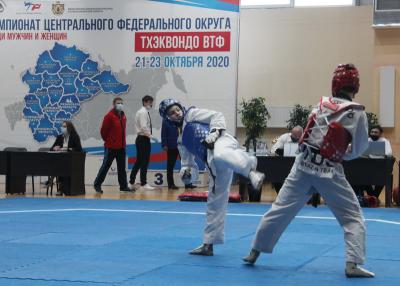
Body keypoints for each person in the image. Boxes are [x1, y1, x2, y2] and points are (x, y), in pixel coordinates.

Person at [243, 64, 375, 278]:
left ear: (335, 84)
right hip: (329, 171)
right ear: (356, 87)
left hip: (302, 165)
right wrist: (344, 154)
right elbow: (360, 148)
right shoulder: (357, 112)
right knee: (352, 217)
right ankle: (353, 264)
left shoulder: (320, 104)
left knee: (280, 209)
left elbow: (308, 134)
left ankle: (254, 251)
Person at [159, 99, 265, 256]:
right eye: (172, 113)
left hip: (222, 142)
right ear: (168, 119)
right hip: (214, 164)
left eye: (177, 110)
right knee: (214, 203)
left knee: (220, 154)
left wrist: (214, 133)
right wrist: (187, 175)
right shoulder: (181, 141)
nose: (176, 113)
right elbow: (189, 165)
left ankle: (251, 172)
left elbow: (217, 115)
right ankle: (208, 244)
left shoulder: (192, 114)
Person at [93, 97, 131, 193]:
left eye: (121, 103)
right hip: (111, 147)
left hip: (121, 146)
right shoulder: (109, 116)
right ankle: (97, 184)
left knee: (122, 168)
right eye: (118, 103)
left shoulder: (123, 115)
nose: (120, 104)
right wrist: (110, 141)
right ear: (114, 104)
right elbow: (103, 131)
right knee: (105, 167)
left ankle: (123, 186)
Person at [355, 125, 392, 200]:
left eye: (376, 132)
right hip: (367, 167)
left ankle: (373, 197)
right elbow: (358, 151)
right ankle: (374, 198)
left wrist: (379, 153)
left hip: (380, 167)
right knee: (360, 176)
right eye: (372, 132)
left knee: (383, 178)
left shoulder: (385, 141)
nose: (373, 134)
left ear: (380, 134)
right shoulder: (366, 141)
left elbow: (389, 153)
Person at [161, 119, 197, 190]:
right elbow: (163, 133)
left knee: (186, 165)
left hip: (183, 146)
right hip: (172, 145)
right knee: (170, 166)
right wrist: (164, 144)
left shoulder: (183, 119)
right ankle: (170, 184)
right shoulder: (166, 120)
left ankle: (188, 184)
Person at [129, 95, 155, 190]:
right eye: (150, 102)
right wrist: (150, 136)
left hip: (141, 138)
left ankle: (131, 182)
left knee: (139, 161)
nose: (151, 104)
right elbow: (144, 127)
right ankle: (143, 183)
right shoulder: (143, 112)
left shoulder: (142, 112)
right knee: (144, 161)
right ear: (144, 102)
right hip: (143, 138)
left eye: (151, 102)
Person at [51, 120, 83, 196]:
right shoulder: (59, 137)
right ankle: (61, 189)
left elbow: (79, 149)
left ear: (69, 128)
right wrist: (55, 148)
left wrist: (69, 149)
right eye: (62, 126)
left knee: (64, 167)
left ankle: (63, 188)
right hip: (61, 160)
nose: (62, 128)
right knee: (60, 167)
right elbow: (51, 148)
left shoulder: (74, 136)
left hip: (72, 161)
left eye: (64, 126)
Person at [270, 126, 303, 194]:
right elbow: (273, 150)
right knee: (276, 175)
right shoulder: (284, 137)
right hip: (284, 164)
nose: (296, 138)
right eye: (294, 136)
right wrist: (280, 151)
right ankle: (281, 194)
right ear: (291, 133)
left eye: (298, 137)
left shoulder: (305, 139)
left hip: (299, 165)